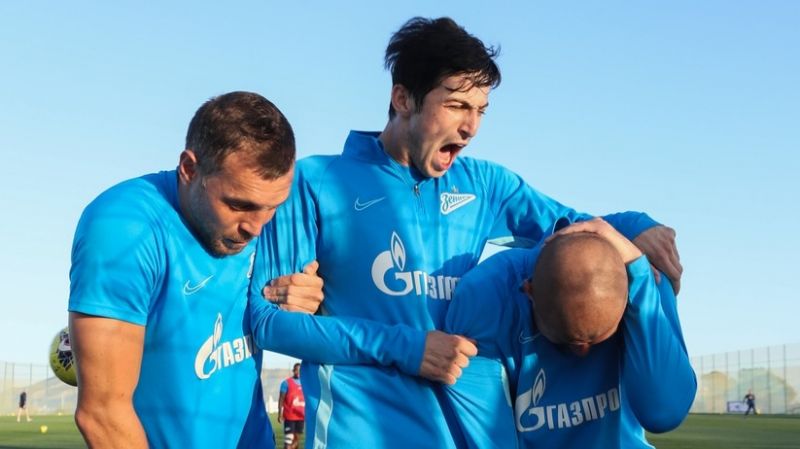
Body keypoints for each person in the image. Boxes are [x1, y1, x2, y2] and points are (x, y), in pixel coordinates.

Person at [253, 16, 683, 449]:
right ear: (403, 99)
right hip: (362, 434)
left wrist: (637, 227)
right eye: (458, 105)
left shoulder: (485, 185)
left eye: (481, 110)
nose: (471, 126)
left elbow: (573, 231)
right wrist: (407, 347)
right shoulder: (316, 183)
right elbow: (266, 322)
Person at [68, 91, 470, 449]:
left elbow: (297, 305)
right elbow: (102, 413)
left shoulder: (266, 227)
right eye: (239, 205)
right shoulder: (125, 227)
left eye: (272, 207)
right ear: (189, 169)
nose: (256, 228)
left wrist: (314, 298)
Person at [443, 218, 697, 448]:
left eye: (599, 338)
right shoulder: (485, 298)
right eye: (570, 339)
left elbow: (664, 411)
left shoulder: (644, 276)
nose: (583, 351)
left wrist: (641, 282)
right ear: (529, 292)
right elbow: (488, 437)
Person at [278, 363, 305, 449]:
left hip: (301, 416)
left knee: (296, 441)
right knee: (288, 441)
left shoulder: (306, 383)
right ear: (293, 371)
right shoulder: (286, 383)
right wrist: (279, 414)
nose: (298, 372)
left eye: (300, 370)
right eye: (296, 370)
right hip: (289, 416)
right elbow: (281, 399)